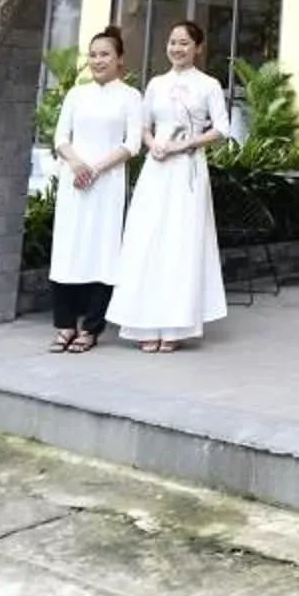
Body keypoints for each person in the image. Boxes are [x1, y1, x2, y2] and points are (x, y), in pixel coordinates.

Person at [106, 20, 231, 353]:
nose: (177, 48)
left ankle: (175, 326)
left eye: (185, 43)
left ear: (198, 48)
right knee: (148, 239)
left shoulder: (209, 85)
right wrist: (153, 144)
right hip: (157, 169)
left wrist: (185, 144)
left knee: (181, 242)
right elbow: (143, 125)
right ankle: (145, 322)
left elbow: (221, 128)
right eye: (173, 42)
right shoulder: (156, 84)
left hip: (188, 171)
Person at [45, 26, 142, 354]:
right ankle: (65, 325)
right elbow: (60, 138)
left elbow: (133, 143)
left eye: (105, 55)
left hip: (107, 184)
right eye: (94, 54)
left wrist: (96, 169)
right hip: (74, 184)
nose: (98, 60)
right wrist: (76, 164)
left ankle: (91, 328)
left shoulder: (130, 96)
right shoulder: (76, 94)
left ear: (119, 60)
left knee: (102, 254)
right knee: (68, 251)